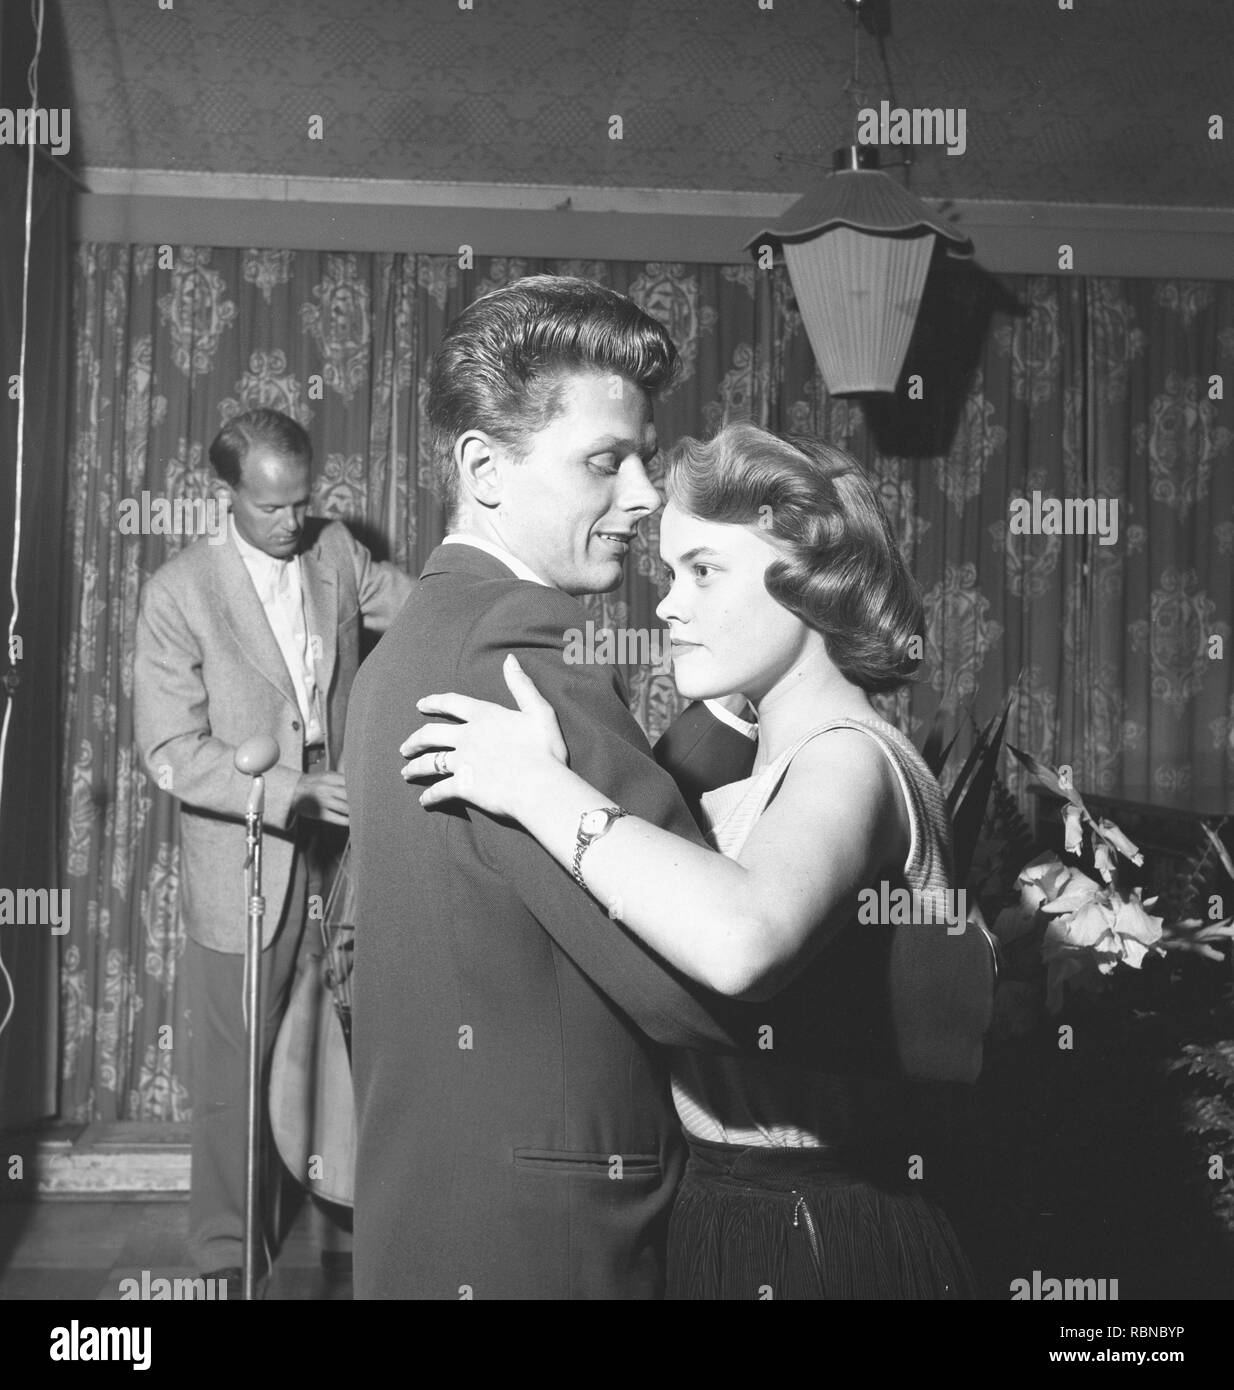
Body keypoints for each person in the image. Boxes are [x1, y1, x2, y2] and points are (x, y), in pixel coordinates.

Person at [346, 276, 878, 1301]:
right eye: (605, 461)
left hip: (436, 1194)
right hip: (549, 1228)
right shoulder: (513, 653)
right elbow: (700, 976)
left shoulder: (418, 641)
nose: (642, 495)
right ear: (483, 468)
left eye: (643, 455)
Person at [401, 421, 995, 1300]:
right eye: (671, 572)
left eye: (705, 571)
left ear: (811, 582)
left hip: (820, 1237)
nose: (668, 605)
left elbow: (743, 938)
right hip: (730, 1211)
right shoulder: (758, 764)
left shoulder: (849, 756)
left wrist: (536, 788)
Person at [134, 407, 414, 1292]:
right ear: (227, 496)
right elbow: (170, 753)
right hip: (248, 856)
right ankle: (226, 1260)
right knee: (237, 1072)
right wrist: (288, 791)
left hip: (346, 851)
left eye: (303, 503)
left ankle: (349, 1217)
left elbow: (417, 609)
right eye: (273, 510)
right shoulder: (179, 592)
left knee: (351, 1040)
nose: (294, 524)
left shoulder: (333, 553)